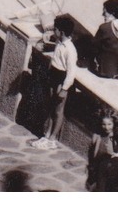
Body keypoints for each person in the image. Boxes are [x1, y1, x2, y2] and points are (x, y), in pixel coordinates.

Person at [30, 16, 78, 150]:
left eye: (55, 29)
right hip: (54, 76)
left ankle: (52, 139)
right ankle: (47, 135)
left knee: (58, 110)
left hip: (61, 80)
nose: (53, 31)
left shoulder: (70, 49)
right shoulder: (59, 42)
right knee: (51, 108)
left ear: (61, 32)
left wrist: (64, 89)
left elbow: (71, 72)